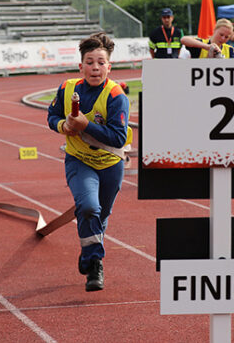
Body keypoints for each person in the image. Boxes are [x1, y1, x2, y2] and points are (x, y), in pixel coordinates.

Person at [46, 33, 132, 291]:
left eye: (101, 62)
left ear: (109, 66)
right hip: (79, 160)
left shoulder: (117, 96)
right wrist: (63, 125)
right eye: (90, 62)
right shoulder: (67, 88)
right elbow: (52, 116)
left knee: (101, 216)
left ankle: (87, 254)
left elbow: (118, 138)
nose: (95, 67)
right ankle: (95, 264)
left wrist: (87, 125)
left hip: (110, 164)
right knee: (87, 208)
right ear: (80, 66)